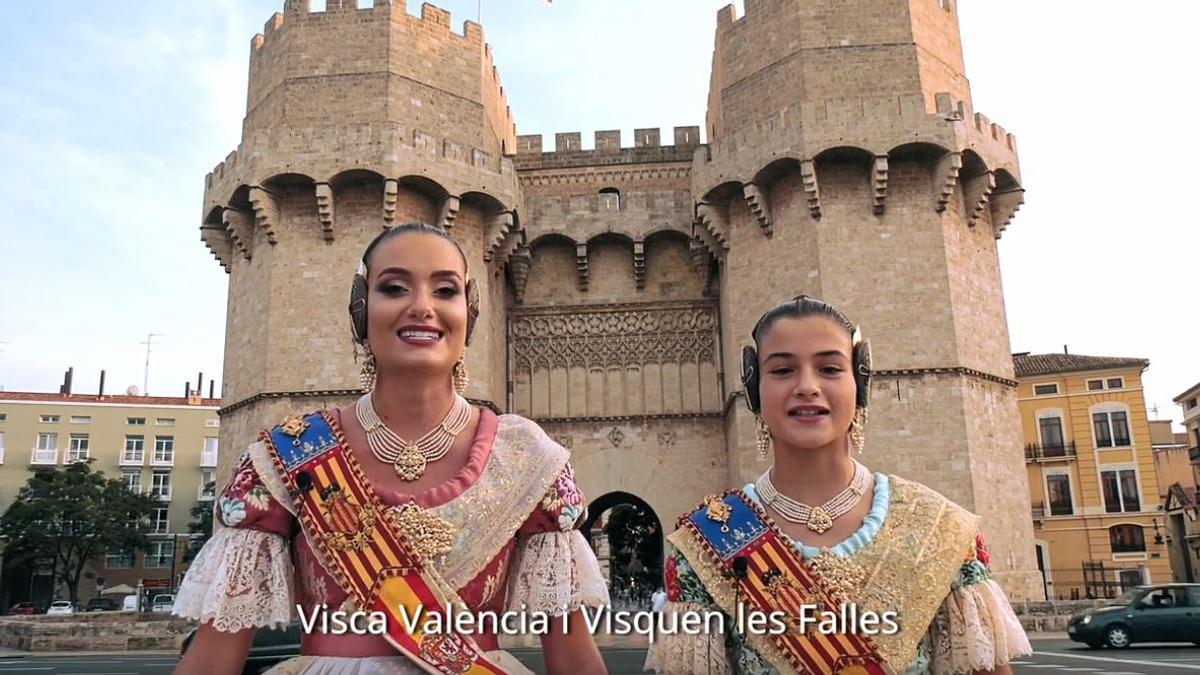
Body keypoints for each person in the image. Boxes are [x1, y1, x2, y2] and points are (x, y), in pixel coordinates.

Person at [174, 223, 608, 675]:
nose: (422, 307)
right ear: (362, 308)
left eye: (445, 290)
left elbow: (574, 660)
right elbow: (211, 661)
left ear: (470, 312)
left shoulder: (526, 459)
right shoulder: (288, 455)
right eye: (395, 287)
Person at [645, 296, 1031, 675]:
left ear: (860, 382)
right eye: (782, 371)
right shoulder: (706, 545)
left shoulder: (938, 529)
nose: (807, 386)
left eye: (829, 368)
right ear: (753, 390)